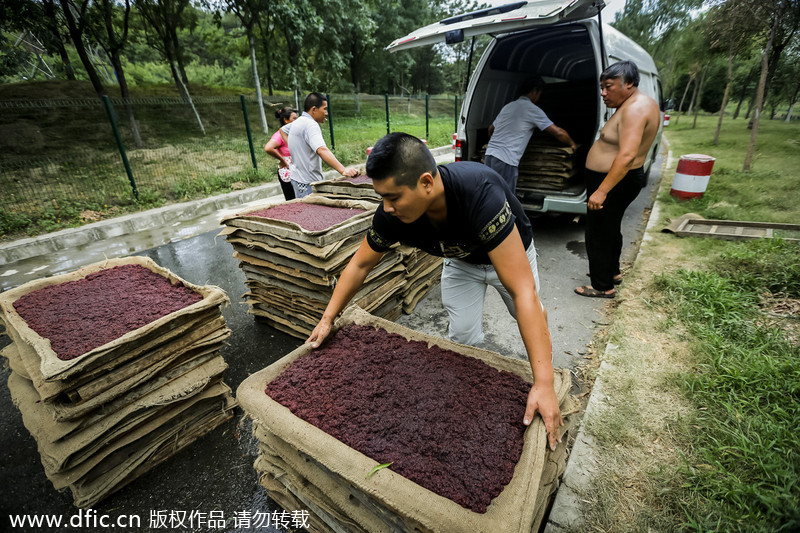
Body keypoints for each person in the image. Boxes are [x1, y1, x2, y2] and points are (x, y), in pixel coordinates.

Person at [306, 132, 563, 451]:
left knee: (528, 311)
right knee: (463, 338)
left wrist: (544, 383)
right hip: (461, 262)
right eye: (381, 198)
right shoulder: (393, 216)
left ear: (426, 182)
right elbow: (360, 265)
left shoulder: (479, 193)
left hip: (510, 257)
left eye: (394, 197)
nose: (386, 208)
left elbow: (523, 291)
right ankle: (472, 406)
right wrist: (328, 318)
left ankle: (545, 370)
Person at [575, 60, 660, 298]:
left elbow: (626, 155)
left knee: (598, 232)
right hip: (621, 179)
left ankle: (602, 286)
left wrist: (602, 190)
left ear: (630, 84)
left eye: (609, 87)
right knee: (610, 228)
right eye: (601, 87)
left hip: (614, 180)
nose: (603, 93)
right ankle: (612, 272)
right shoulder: (641, 103)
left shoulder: (634, 109)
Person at [484, 76, 577, 192]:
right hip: (506, 160)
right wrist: (572, 144)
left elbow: (490, 129)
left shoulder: (508, 106)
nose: (539, 97)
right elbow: (558, 132)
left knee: (491, 193)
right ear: (534, 91)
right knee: (504, 199)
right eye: (539, 94)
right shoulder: (532, 109)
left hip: (489, 156)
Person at [284, 92, 358, 198]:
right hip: (308, 183)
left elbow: (282, 130)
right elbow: (322, 150)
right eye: (324, 109)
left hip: (297, 179)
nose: (326, 113)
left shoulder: (298, 121)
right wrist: (343, 170)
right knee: (310, 213)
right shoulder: (311, 125)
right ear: (314, 109)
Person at [265, 106, 298, 201]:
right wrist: (283, 160)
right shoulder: (279, 135)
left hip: (298, 170)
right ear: (286, 120)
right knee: (293, 202)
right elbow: (268, 148)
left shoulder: (293, 133)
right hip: (288, 172)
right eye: (294, 119)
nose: (296, 121)